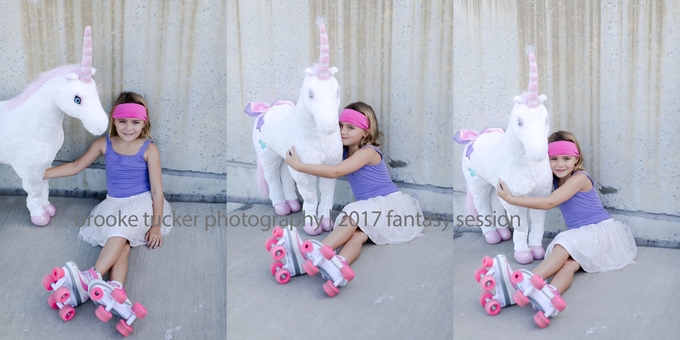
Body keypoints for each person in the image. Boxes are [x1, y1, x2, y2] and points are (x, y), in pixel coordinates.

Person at [41, 92, 171, 330]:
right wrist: (41, 174)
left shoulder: (148, 149)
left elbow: (157, 191)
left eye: (135, 122)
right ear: (113, 120)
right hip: (113, 204)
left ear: (144, 122)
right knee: (120, 246)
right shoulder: (104, 144)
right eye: (122, 121)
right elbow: (76, 166)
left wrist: (156, 225)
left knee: (119, 231)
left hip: (141, 204)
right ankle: (116, 290)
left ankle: (91, 276)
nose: (128, 127)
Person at [281, 101, 424, 295]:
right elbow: (325, 158)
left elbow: (335, 171)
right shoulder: (345, 152)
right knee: (357, 235)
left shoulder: (368, 152)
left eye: (350, 127)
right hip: (374, 211)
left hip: (389, 206)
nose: (343, 131)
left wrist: (298, 166)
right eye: (340, 126)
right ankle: (339, 266)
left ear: (365, 132)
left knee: (352, 213)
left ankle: (318, 251)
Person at [493, 130, 637, 322]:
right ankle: (551, 295)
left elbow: (548, 203)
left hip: (601, 233)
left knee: (563, 243)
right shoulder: (553, 180)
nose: (560, 164)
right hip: (588, 239)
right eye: (554, 159)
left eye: (566, 158)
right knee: (568, 264)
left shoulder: (580, 178)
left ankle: (531, 280)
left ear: (576, 160)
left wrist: (511, 199)